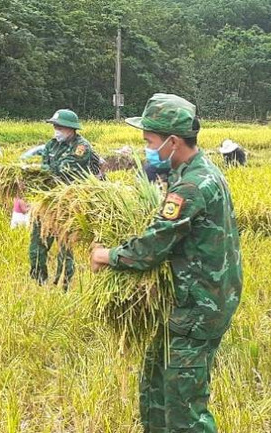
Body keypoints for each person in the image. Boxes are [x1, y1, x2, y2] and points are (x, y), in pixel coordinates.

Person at [90, 93, 242, 432]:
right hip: (188, 301)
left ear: (173, 142)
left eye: (150, 141)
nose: (147, 148)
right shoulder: (198, 172)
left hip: (199, 305)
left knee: (185, 405)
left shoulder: (191, 185)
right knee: (156, 385)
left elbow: (151, 246)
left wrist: (106, 255)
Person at [29, 109, 95, 291]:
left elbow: (66, 168)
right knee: (37, 242)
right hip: (48, 200)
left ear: (71, 129)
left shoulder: (81, 147)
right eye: (55, 126)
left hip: (69, 203)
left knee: (65, 246)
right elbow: (44, 168)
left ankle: (63, 284)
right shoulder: (51, 145)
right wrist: (48, 171)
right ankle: (38, 281)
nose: (56, 130)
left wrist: (49, 171)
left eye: (59, 127)